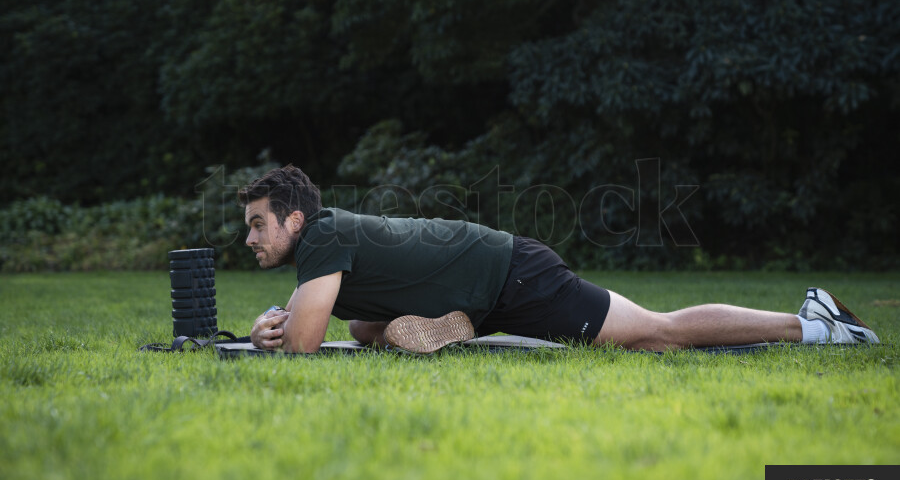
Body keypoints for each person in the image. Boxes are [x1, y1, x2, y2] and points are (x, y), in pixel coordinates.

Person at [239, 165, 880, 354]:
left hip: (513, 275)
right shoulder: (325, 240)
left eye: (258, 225)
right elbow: (305, 323)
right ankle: (457, 318)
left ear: (295, 219)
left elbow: (300, 343)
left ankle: (814, 323)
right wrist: (281, 322)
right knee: (364, 328)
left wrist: (276, 330)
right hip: (484, 280)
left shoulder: (322, 236)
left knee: (658, 333)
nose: (250, 238)